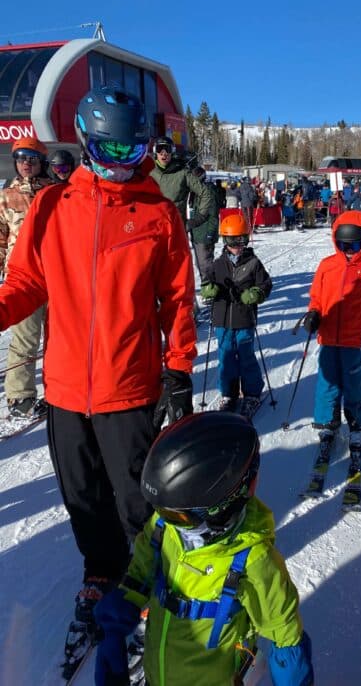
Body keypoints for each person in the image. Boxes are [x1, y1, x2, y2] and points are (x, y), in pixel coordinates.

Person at [0, 88, 197, 667]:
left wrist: (179, 365)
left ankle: (143, 589)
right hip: (64, 388)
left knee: (137, 498)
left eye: (133, 149)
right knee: (82, 497)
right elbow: (26, 285)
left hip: (129, 386)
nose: (122, 161)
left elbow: (177, 299)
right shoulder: (53, 206)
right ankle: (99, 573)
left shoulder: (158, 214)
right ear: (85, 142)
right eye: (108, 148)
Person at [93, 411, 314, 686]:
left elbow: (285, 634)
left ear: (222, 507)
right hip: (158, 673)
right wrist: (114, 627)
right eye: (161, 509)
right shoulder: (165, 526)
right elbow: (140, 572)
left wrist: (293, 678)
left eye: (179, 516)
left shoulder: (253, 561)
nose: (165, 519)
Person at [303, 210, 361, 459]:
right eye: (344, 244)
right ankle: (327, 422)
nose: (349, 250)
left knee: (355, 384)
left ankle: (356, 419)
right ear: (335, 240)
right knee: (328, 381)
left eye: (356, 244)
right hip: (328, 338)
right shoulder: (327, 266)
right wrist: (314, 314)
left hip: (355, 340)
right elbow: (317, 297)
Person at [200, 214, 272, 419]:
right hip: (222, 319)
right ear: (225, 240)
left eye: (242, 240)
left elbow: (266, 284)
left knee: (246, 356)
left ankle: (251, 393)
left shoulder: (253, 263)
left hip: (244, 318)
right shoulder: (217, 264)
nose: (238, 246)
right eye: (233, 241)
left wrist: (256, 293)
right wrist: (208, 291)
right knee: (226, 356)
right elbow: (206, 284)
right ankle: (229, 393)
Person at [0, 137, 52, 418]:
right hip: (23, 279)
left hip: (55, 275)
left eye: (32, 159)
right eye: (21, 159)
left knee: (59, 337)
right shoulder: (6, 196)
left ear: (41, 162)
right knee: (25, 339)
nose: (26, 164)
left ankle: (60, 391)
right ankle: (20, 398)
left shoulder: (56, 193)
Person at [149, 137, 218, 283]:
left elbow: (205, 193)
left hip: (176, 230)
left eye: (167, 149)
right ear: (155, 152)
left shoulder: (182, 173)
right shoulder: (148, 172)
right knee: (153, 268)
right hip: (152, 230)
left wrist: (198, 218)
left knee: (178, 267)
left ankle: (187, 300)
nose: (163, 153)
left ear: (172, 152)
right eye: (160, 149)